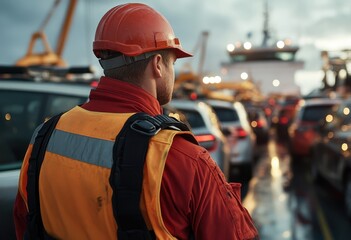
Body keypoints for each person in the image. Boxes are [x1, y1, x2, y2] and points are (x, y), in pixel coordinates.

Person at [14, 3, 259, 240]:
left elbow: (25, 224)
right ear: (158, 65)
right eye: (173, 61)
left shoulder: (44, 138)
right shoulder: (182, 158)